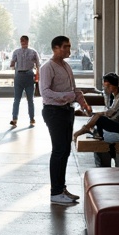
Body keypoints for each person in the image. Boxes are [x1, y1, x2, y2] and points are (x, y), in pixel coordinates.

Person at [39, 35, 92, 205]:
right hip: (54, 112)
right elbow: (45, 93)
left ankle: (61, 188)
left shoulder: (66, 66)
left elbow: (73, 90)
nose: (69, 50)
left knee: (65, 151)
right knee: (59, 150)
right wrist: (66, 96)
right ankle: (55, 192)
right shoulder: (47, 67)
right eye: (65, 47)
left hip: (66, 111)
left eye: (69, 46)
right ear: (55, 48)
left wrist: (82, 102)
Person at [74, 73, 119, 166]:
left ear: (111, 85)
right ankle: (93, 131)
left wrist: (98, 115)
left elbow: (112, 115)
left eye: (106, 85)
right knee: (97, 120)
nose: (104, 88)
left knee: (99, 119)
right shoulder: (115, 95)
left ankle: (86, 128)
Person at [8, 34, 40, 127]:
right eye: (22, 41)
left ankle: (32, 118)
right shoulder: (16, 52)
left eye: (24, 41)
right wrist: (12, 63)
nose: (23, 43)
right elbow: (12, 64)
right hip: (19, 75)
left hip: (29, 75)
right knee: (17, 99)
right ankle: (14, 119)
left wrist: (38, 76)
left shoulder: (33, 52)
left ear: (27, 41)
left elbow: (38, 64)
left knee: (30, 99)